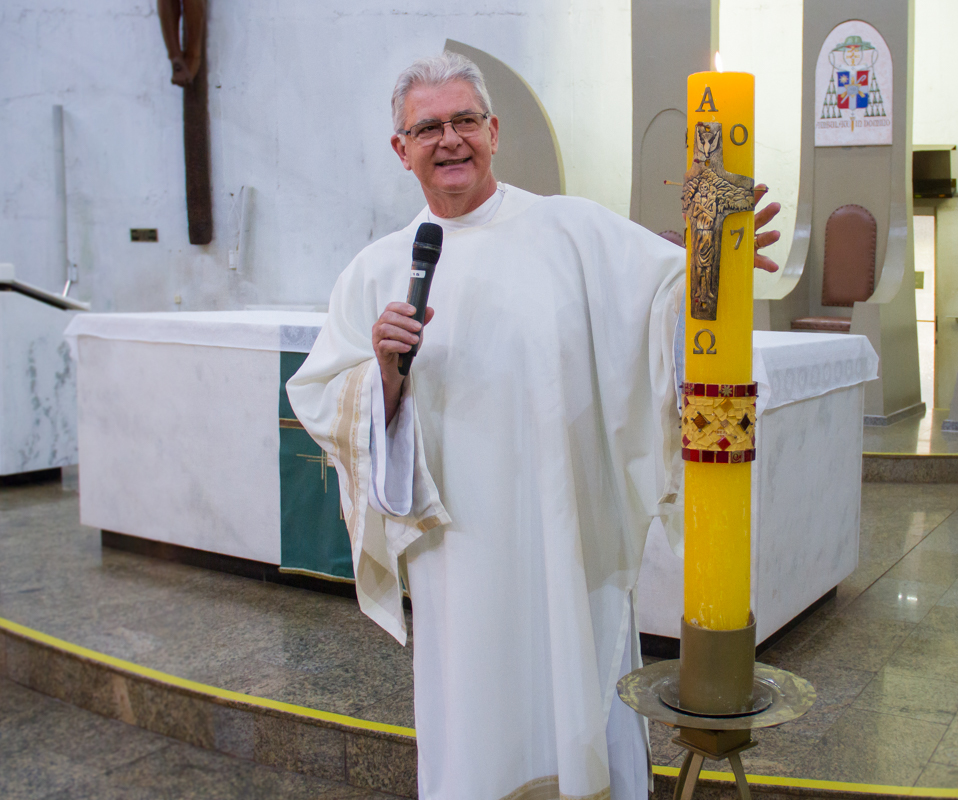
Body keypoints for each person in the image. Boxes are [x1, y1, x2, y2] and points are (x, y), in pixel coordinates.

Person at [286, 51, 780, 800]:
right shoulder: (378, 270)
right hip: (460, 555)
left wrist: (719, 257)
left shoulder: (568, 229)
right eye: (428, 128)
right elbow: (326, 399)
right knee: (477, 713)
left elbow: (664, 303)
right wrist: (383, 373)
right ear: (401, 149)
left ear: (494, 131)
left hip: (565, 534)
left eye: (464, 122)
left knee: (576, 681)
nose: (449, 140)